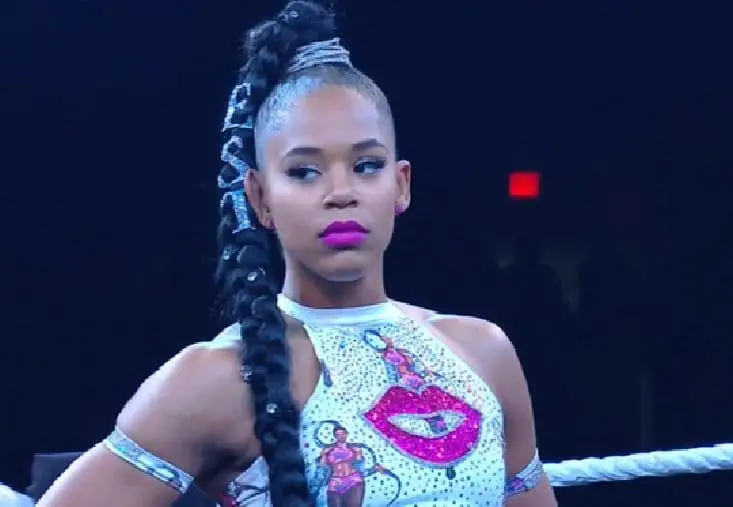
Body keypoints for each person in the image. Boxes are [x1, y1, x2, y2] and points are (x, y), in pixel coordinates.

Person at [37, 2, 558, 506]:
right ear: (260, 198)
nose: (341, 193)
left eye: (367, 165)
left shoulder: (484, 353)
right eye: (304, 171)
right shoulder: (218, 378)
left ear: (401, 185)